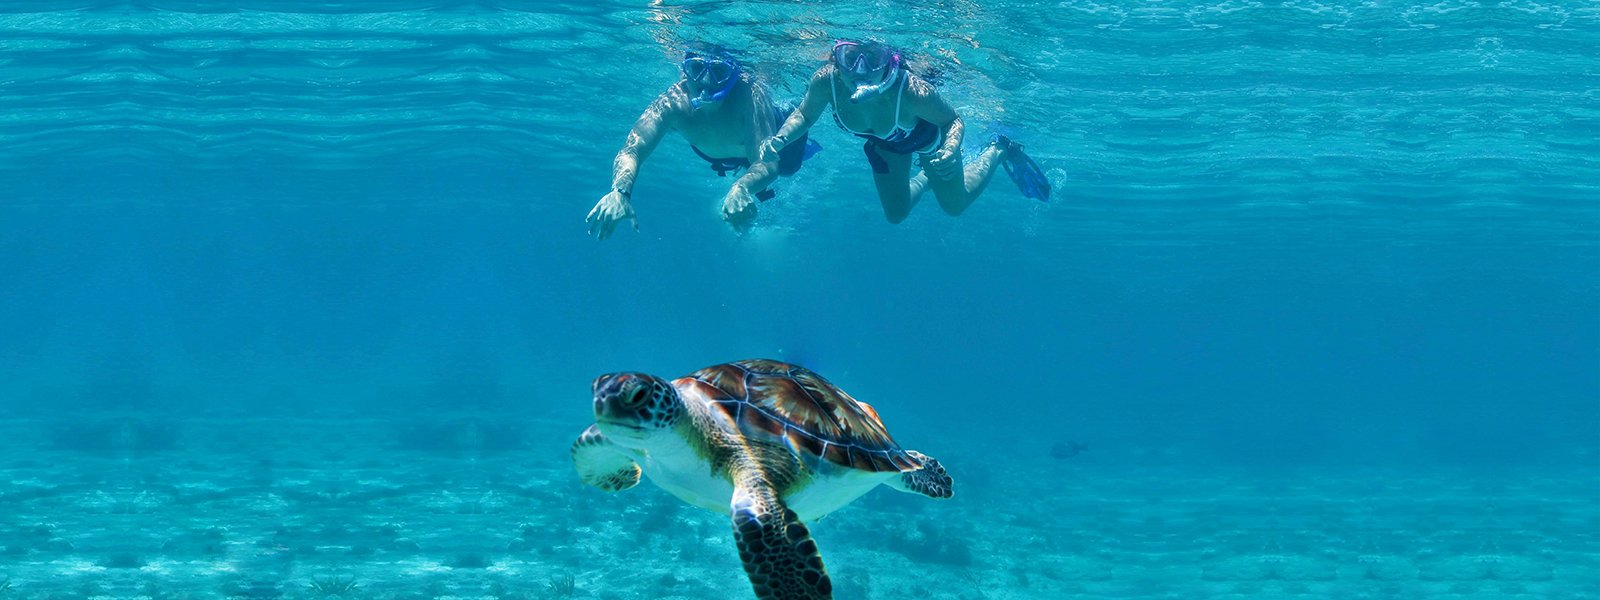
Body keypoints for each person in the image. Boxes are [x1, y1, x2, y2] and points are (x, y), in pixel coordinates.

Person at [759, 39, 1049, 224]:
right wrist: (781, 138)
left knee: (954, 205)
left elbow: (953, 120)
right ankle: (926, 177)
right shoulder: (826, 81)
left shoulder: (911, 92)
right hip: (888, 144)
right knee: (896, 214)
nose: (861, 69)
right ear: (836, 59)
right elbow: (804, 115)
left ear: (890, 59)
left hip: (932, 142)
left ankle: (999, 148)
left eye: (873, 57)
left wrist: (949, 151)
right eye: (850, 57)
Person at [586, 44, 821, 240]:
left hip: (772, 133)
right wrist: (620, 192)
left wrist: (741, 187)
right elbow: (632, 149)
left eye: (719, 72)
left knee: (788, 169)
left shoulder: (749, 95)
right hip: (725, 153)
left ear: (734, 76)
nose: (707, 81)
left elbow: (767, 165)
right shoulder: (673, 103)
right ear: (683, 72)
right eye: (696, 68)